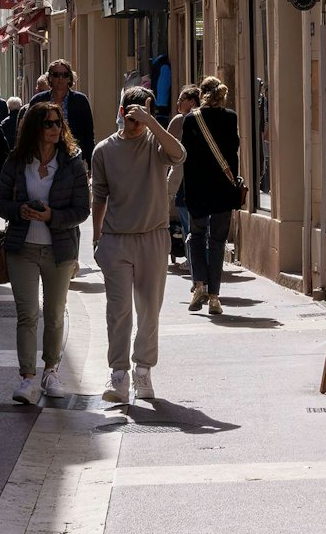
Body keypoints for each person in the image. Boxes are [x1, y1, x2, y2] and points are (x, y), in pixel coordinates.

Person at [90, 86, 186, 403]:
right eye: (132, 115)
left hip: (153, 237)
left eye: (141, 114)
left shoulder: (156, 147)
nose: (136, 122)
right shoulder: (104, 151)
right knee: (118, 311)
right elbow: (99, 197)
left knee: (149, 310)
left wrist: (152, 122)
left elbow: (179, 154)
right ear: (121, 113)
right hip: (117, 240)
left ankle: (142, 369)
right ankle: (118, 373)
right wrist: (96, 237)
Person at [0, 101, 90, 405]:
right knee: (27, 314)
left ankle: (51, 371)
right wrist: (19, 210)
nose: (54, 129)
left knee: (54, 313)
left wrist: (52, 216)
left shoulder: (73, 163)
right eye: (48, 123)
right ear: (35, 127)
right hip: (22, 247)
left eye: (57, 123)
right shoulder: (16, 161)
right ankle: (27, 378)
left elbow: (82, 210)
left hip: (59, 248)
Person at [175, 78, 243, 315]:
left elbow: (185, 154)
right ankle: (214, 297)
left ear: (201, 94)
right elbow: (233, 149)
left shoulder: (192, 119)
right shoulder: (230, 117)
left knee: (196, 235)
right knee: (217, 241)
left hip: (198, 189)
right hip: (223, 188)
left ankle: (199, 285)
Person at [30, 59, 97, 155]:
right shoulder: (38, 101)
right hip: (43, 155)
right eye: (56, 75)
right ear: (50, 78)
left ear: (69, 78)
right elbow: (29, 130)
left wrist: (89, 162)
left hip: (72, 155)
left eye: (64, 75)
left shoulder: (80, 101)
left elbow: (88, 134)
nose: (60, 78)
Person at [168, 84, 203, 266]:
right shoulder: (206, 119)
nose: (177, 103)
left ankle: (192, 260)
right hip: (203, 179)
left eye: (181, 99)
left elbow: (165, 148)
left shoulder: (180, 121)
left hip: (185, 179)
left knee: (187, 222)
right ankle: (200, 261)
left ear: (191, 101)